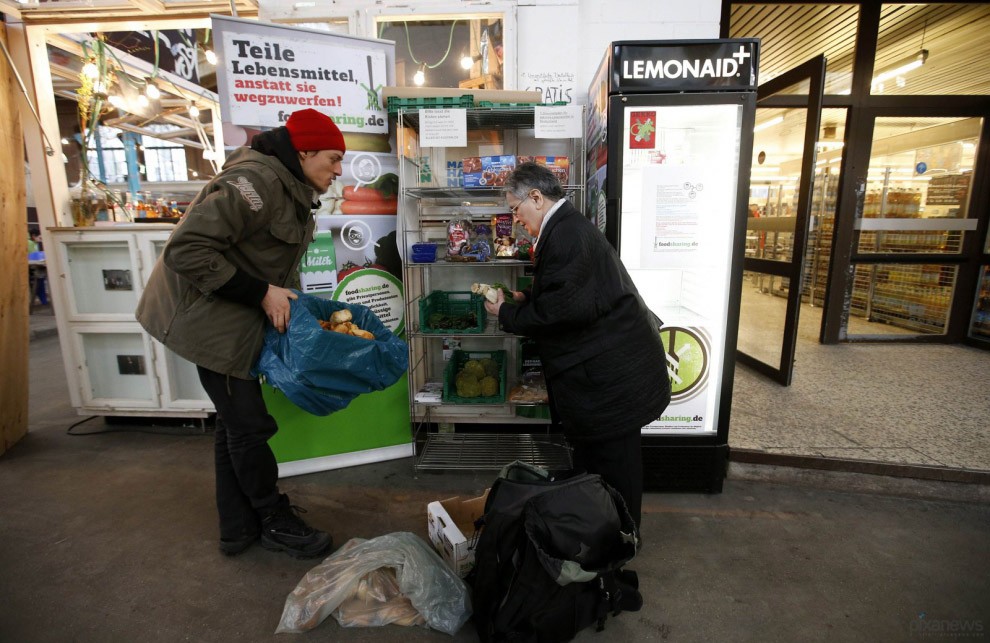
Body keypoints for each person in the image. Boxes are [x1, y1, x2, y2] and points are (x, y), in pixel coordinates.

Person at [136, 108, 345, 559]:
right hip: (207, 319)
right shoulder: (255, 184)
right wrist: (262, 293)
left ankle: (236, 528)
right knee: (250, 426)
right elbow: (186, 249)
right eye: (332, 158)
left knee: (233, 425)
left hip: (232, 316)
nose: (338, 169)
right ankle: (273, 518)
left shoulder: (289, 186)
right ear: (304, 151)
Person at [484, 162, 670, 535]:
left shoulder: (566, 234)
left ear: (536, 198)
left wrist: (506, 312)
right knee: (601, 462)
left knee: (615, 467)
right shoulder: (566, 227)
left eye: (516, 210)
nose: (515, 219)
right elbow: (575, 289)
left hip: (612, 379)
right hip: (609, 374)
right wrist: (528, 295)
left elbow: (561, 311)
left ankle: (620, 539)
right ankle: (603, 531)